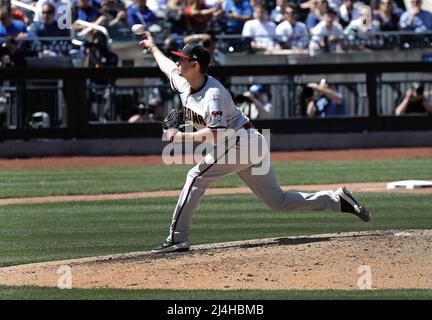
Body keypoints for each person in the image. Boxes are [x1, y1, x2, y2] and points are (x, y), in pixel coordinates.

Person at [138, 31, 371, 254]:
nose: (177, 63)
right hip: (251, 142)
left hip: (241, 142)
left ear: (195, 65)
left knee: (196, 177)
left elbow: (217, 134)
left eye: (183, 60)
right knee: (277, 201)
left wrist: (181, 138)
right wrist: (152, 47)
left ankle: (178, 238)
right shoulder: (184, 83)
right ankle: (337, 199)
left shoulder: (213, 95)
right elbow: (166, 66)